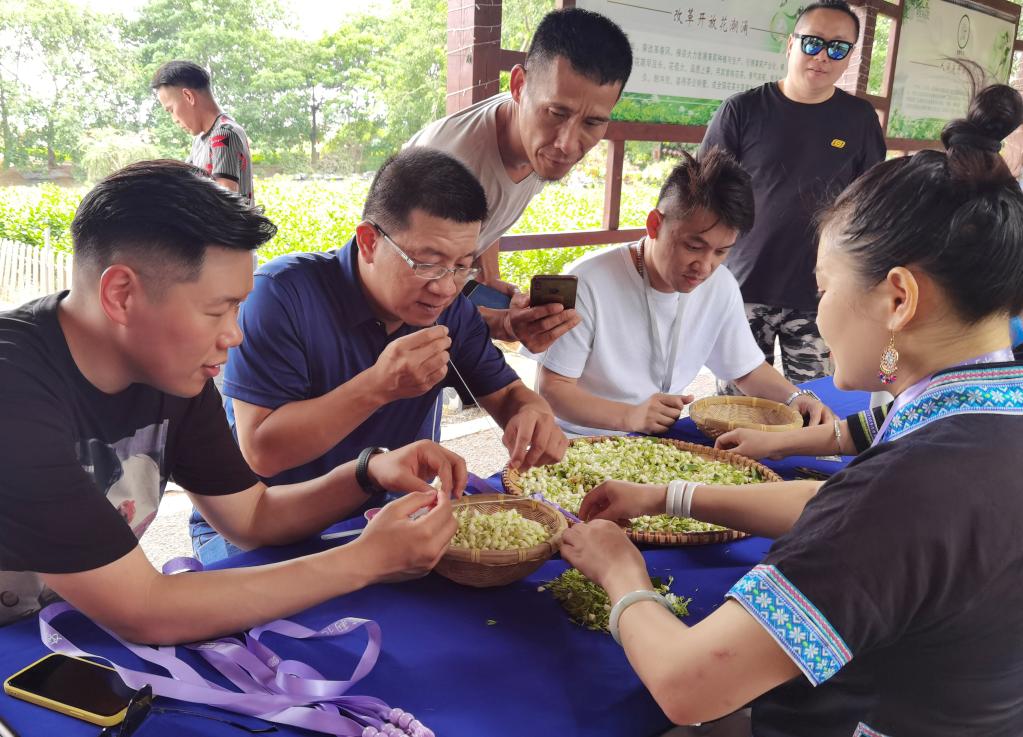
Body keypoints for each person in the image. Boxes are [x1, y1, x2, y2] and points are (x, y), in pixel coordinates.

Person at [558, 84, 1023, 735]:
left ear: (898, 299)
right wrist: (669, 495)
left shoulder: (909, 488)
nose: (819, 312)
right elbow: (840, 508)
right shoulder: (988, 411)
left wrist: (620, 572)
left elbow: (688, 685)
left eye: (823, 287)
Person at [0, 160, 466, 641]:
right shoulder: (14, 391)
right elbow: (145, 609)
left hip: (65, 636)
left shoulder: (169, 371)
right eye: (217, 310)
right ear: (121, 295)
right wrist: (364, 560)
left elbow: (251, 516)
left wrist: (366, 473)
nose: (234, 335)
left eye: (238, 308)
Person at [205, 147, 568, 561]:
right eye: (427, 263)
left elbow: (507, 395)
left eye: (461, 266)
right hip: (265, 527)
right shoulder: (282, 295)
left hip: (384, 518)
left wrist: (531, 413)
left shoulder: (451, 310)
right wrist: (378, 386)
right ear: (369, 241)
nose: (445, 287)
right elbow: (262, 452)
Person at [536, 148, 832, 437]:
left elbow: (746, 369)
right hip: (579, 441)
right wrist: (630, 416)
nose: (704, 266)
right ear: (655, 225)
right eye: (693, 246)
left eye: (721, 252)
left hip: (657, 440)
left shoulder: (720, 285)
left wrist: (795, 397)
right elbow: (552, 389)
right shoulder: (586, 281)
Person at [406, 7, 632, 353]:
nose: (568, 144)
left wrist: (488, 276)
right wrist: (504, 324)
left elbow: (484, 209)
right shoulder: (449, 166)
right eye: (556, 113)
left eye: (593, 123)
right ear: (518, 86)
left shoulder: (534, 138)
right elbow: (410, 295)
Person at [699, 0, 886, 390]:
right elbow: (704, 194)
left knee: (814, 405)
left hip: (821, 295)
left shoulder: (860, 120)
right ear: (790, 44)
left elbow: (870, 207)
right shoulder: (742, 110)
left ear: (850, 56)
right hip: (742, 288)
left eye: (838, 47)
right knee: (736, 406)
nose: (823, 55)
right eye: (812, 42)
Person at [152, 60, 254, 204]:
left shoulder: (223, 134)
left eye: (171, 110)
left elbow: (225, 205)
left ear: (188, 96)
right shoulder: (200, 139)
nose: (174, 119)